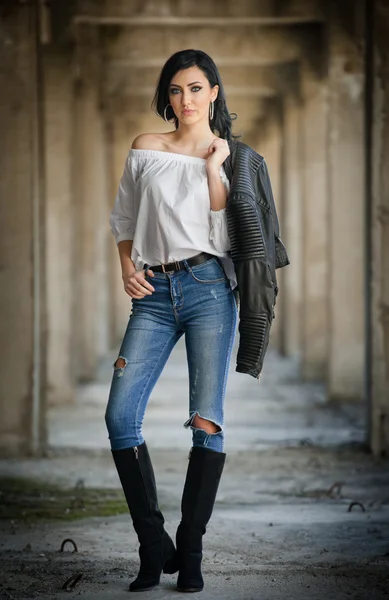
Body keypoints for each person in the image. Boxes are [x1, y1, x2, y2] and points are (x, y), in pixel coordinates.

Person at [105, 48, 288, 594]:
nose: (185, 99)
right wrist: (124, 265)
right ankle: (152, 546)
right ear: (168, 96)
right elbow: (123, 216)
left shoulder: (233, 159)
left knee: (206, 421)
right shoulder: (146, 148)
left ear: (214, 92)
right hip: (154, 293)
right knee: (119, 415)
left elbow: (227, 240)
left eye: (195, 88)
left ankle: (191, 554)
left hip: (210, 288)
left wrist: (214, 171)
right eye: (176, 89)